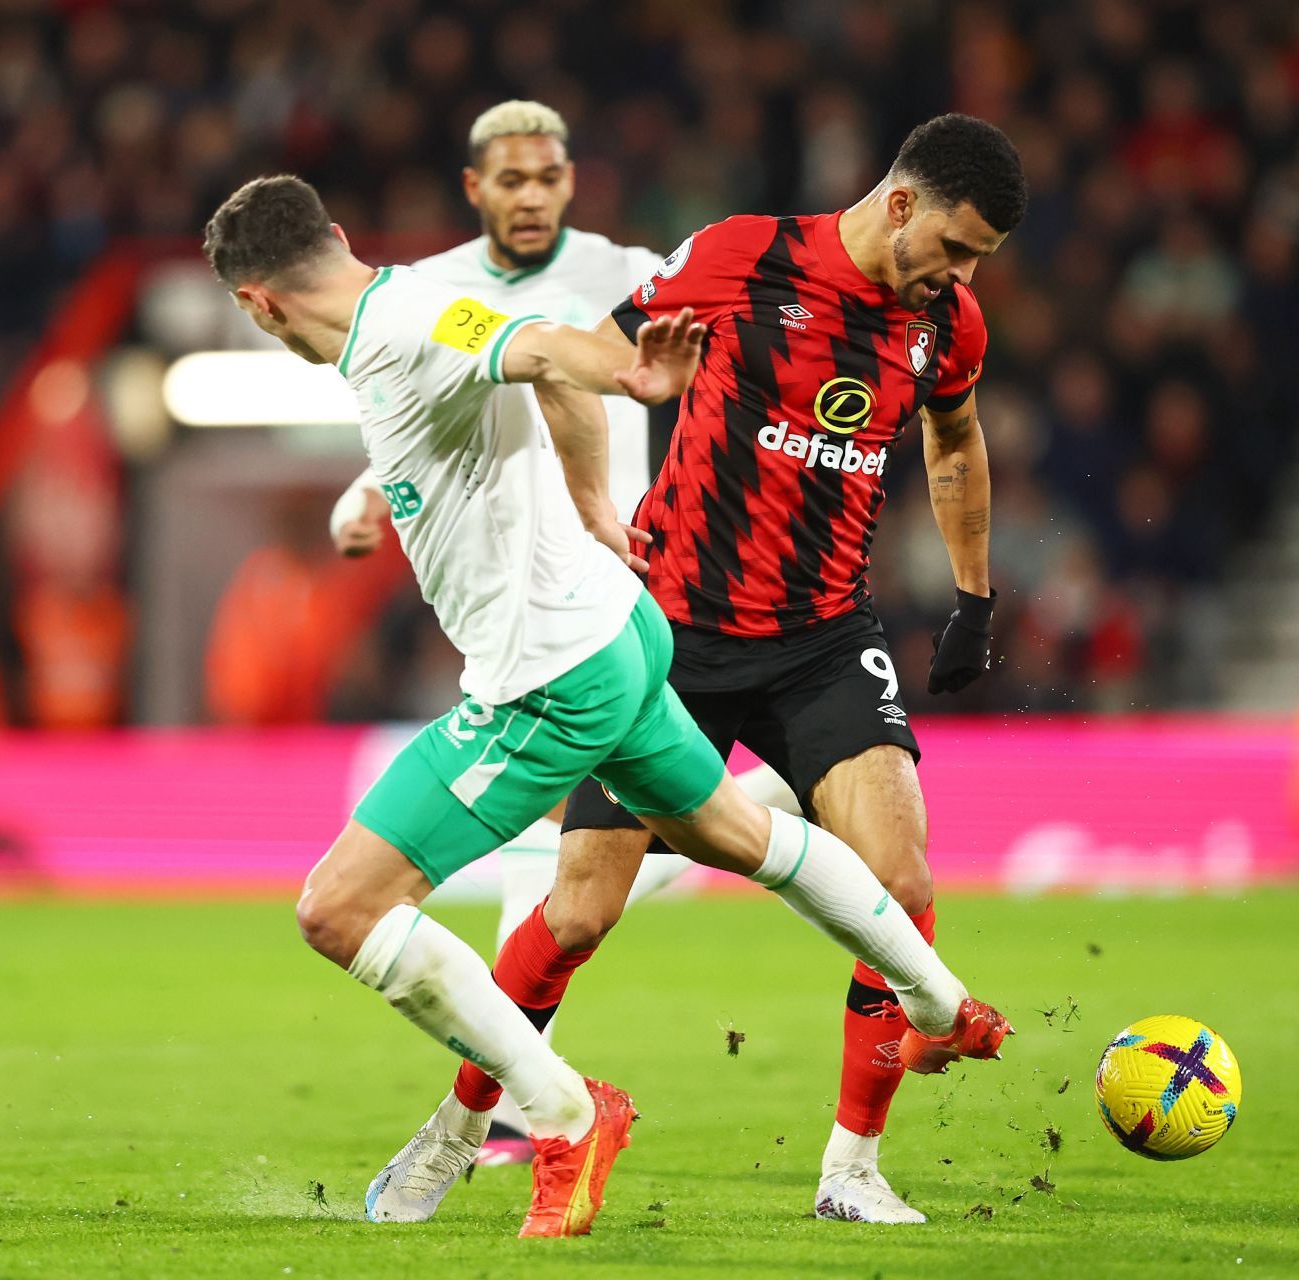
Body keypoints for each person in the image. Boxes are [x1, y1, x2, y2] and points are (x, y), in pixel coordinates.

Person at [202, 174, 1012, 1238]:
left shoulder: (402, 328)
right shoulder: (411, 311)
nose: (964, 273)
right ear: (339, 237)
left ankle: (567, 1115)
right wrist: (594, 492)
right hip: (640, 630)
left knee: (337, 909)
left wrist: (628, 376)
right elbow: (538, 356)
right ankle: (945, 1004)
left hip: (556, 681)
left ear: (256, 306)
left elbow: (545, 348)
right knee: (728, 837)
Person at [328, 100, 801, 1165]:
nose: (531, 196)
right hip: (522, 585)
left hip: (630, 579)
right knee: (589, 871)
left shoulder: (627, 272)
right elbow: (424, 406)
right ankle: (763, 811)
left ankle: (513, 1102)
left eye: (547, 178)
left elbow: (736, 368)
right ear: (475, 187)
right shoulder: (432, 289)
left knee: (563, 859)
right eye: (511, 180)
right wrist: (366, 492)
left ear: (570, 180)